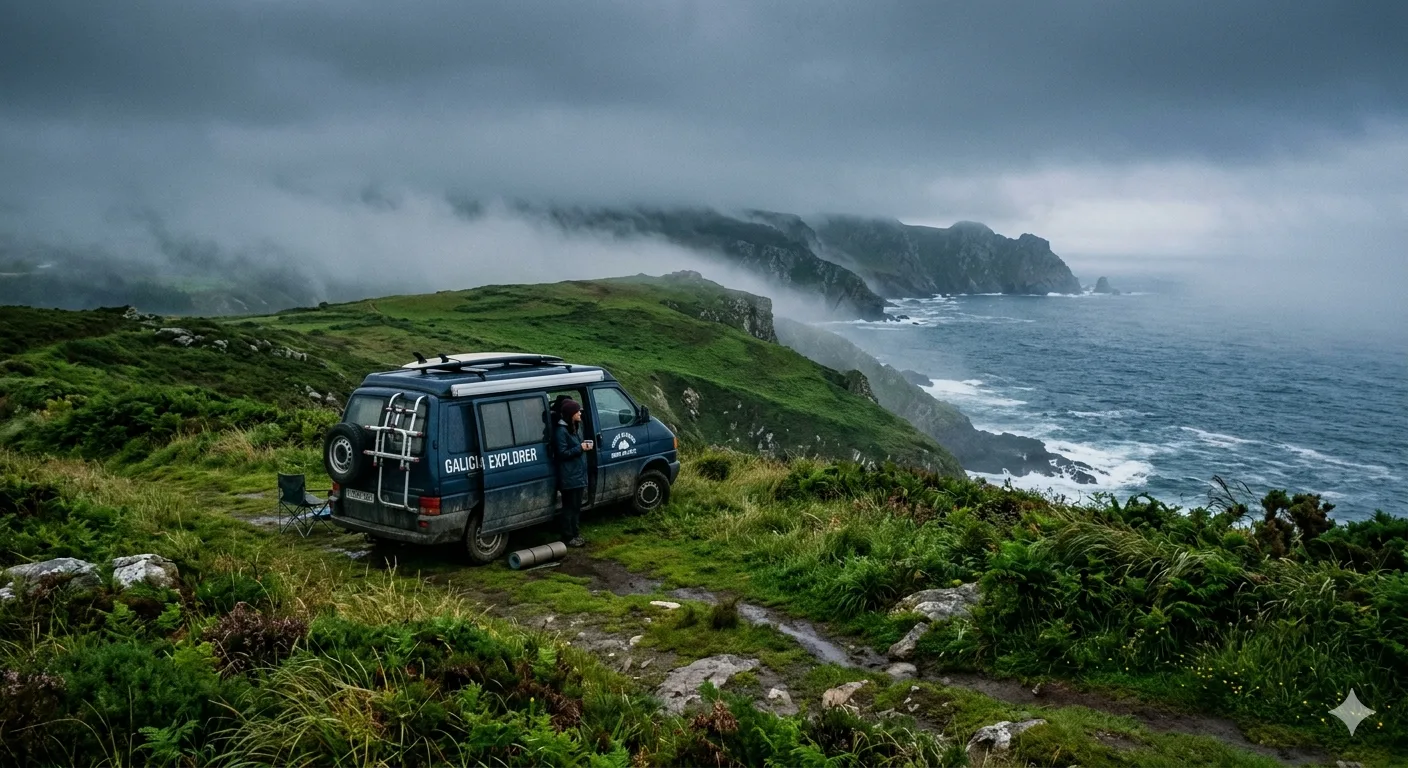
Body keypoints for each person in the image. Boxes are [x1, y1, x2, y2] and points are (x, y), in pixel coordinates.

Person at [553, 398, 592, 547]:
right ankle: (568, 536)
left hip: (577, 474)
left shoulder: (574, 428)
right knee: (569, 507)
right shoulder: (561, 432)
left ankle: (575, 533)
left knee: (576, 506)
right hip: (569, 476)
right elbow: (562, 453)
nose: (580, 413)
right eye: (577, 411)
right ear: (570, 414)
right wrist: (580, 448)